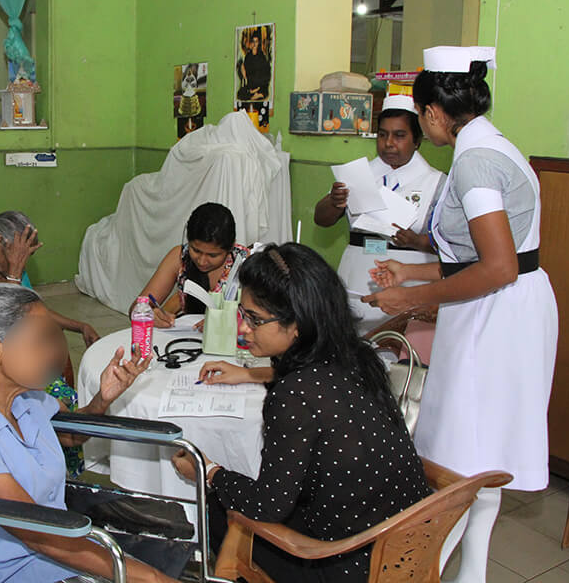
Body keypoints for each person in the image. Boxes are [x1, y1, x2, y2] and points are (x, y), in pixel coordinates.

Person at [362, 46, 557, 583]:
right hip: (506, 305)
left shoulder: (474, 163)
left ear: (430, 113)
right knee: (481, 449)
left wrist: (412, 301)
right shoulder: (497, 146)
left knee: (460, 451)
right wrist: (412, 276)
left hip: (496, 313)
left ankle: (427, 566)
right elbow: (491, 257)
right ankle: (467, 569)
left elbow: (496, 267)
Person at [171, 243, 430, 583]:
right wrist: (251, 374)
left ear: (298, 325)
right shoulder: (357, 358)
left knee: (219, 512)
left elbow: (267, 505)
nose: (243, 329)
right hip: (411, 544)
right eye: (243, 314)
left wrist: (209, 472)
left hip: (347, 563)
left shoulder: (293, 396)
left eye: (254, 319)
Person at [0, 283, 175, 583]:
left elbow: (70, 436)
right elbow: (39, 536)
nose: (55, 352)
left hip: (58, 548)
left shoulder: (25, 398)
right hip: (8, 571)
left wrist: (102, 399)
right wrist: (153, 579)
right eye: (41, 339)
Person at [0, 211, 98, 476]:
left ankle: (65, 470)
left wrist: (79, 325)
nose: (23, 262)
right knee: (50, 400)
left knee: (67, 398)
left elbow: (33, 311)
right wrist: (15, 272)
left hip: (19, 357)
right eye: (19, 254)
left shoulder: (14, 269)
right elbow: (2, 326)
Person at [314, 94, 446, 332]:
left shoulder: (436, 183)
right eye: (382, 135)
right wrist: (334, 202)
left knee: (402, 348)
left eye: (399, 135)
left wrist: (417, 241)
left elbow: (453, 246)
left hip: (411, 277)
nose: (389, 143)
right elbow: (320, 219)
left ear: (417, 140)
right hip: (358, 271)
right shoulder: (359, 174)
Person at [136, 202, 250, 328]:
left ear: (230, 247)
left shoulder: (245, 263)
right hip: (187, 338)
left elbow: (265, 320)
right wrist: (150, 314)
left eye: (212, 255)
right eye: (196, 250)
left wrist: (227, 322)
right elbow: (136, 308)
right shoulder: (179, 257)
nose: (201, 261)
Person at [237, 29, 271, 101]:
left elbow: (265, 72)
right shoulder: (248, 56)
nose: (255, 44)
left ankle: (256, 94)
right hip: (250, 85)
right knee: (240, 94)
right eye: (253, 41)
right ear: (251, 43)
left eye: (256, 41)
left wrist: (258, 86)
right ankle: (253, 94)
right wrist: (243, 69)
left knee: (264, 92)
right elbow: (244, 69)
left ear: (258, 43)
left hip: (259, 84)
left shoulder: (261, 56)